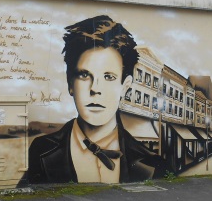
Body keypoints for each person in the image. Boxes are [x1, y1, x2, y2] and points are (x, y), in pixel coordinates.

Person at [25, 15, 165, 184]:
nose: (95, 89)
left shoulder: (152, 163)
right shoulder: (41, 150)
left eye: (108, 77)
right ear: (70, 84)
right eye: (84, 75)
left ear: (125, 87)